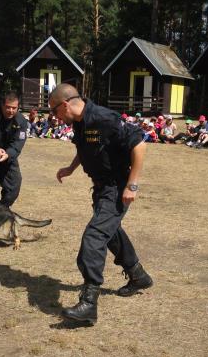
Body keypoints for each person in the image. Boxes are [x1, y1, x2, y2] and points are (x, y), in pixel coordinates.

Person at [49, 83, 152, 325]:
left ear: (65, 105)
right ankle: (139, 276)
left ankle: (89, 302)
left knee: (94, 236)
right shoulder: (80, 123)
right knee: (110, 232)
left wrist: (132, 185)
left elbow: (139, 144)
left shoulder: (103, 118)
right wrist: (71, 168)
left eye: (54, 111)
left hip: (116, 187)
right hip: (101, 187)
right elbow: (85, 148)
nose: (55, 117)